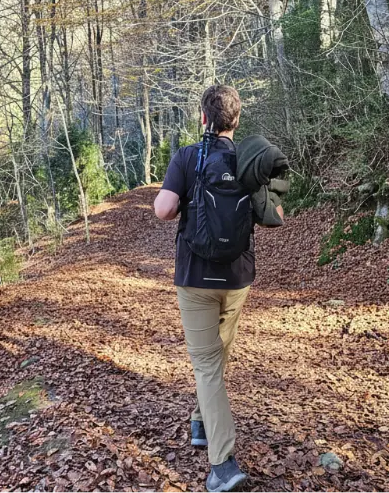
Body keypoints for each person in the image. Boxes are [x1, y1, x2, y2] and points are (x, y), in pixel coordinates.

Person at [153, 84, 283, 492]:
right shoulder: (249, 160)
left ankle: (221, 464)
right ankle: (199, 420)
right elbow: (273, 214)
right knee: (217, 357)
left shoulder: (188, 157)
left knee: (209, 365)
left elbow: (163, 210)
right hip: (237, 279)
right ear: (237, 120)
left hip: (195, 279)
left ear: (203, 119)